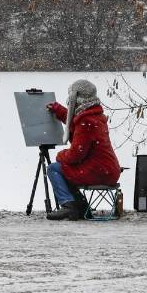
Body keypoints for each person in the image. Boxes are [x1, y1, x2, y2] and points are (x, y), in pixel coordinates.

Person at [43, 79, 121, 221]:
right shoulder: (95, 115)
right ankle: (80, 206)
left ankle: (69, 206)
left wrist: (60, 155)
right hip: (108, 170)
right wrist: (59, 111)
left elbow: (75, 155)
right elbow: (75, 122)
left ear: (76, 98)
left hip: (98, 172)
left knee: (54, 168)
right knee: (67, 169)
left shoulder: (86, 122)